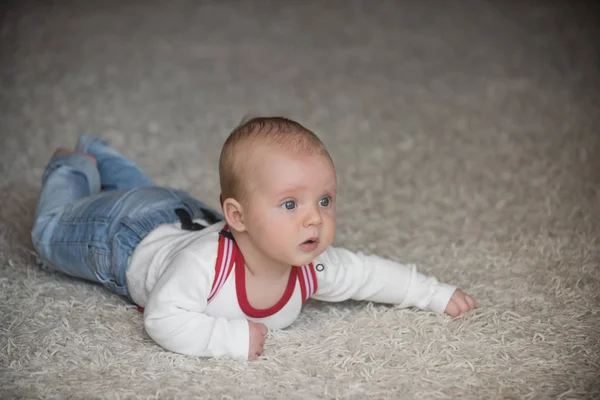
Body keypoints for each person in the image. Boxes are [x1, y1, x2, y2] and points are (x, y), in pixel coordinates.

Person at [31, 117, 475, 361]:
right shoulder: (207, 265)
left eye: (324, 200)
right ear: (238, 217)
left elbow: (368, 274)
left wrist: (432, 293)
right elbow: (164, 320)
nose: (314, 221)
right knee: (49, 233)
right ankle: (74, 165)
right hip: (125, 235)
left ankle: (102, 150)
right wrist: (230, 340)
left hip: (185, 212)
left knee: (149, 189)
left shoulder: (311, 265)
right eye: (290, 204)